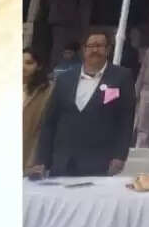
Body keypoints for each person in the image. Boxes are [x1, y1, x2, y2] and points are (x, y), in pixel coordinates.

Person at [31, 32, 136, 178]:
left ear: (108, 49)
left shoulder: (121, 77)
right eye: (91, 46)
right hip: (62, 160)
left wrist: (120, 156)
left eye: (99, 46)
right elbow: (50, 121)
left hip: (100, 160)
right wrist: (41, 160)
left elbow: (126, 120)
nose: (95, 50)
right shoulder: (65, 79)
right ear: (83, 49)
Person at [22, 48, 53, 175]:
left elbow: (42, 130)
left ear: (39, 66)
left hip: (28, 154)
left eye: (29, 63)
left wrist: (33, 161)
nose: (22, 67)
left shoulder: (47, 91)